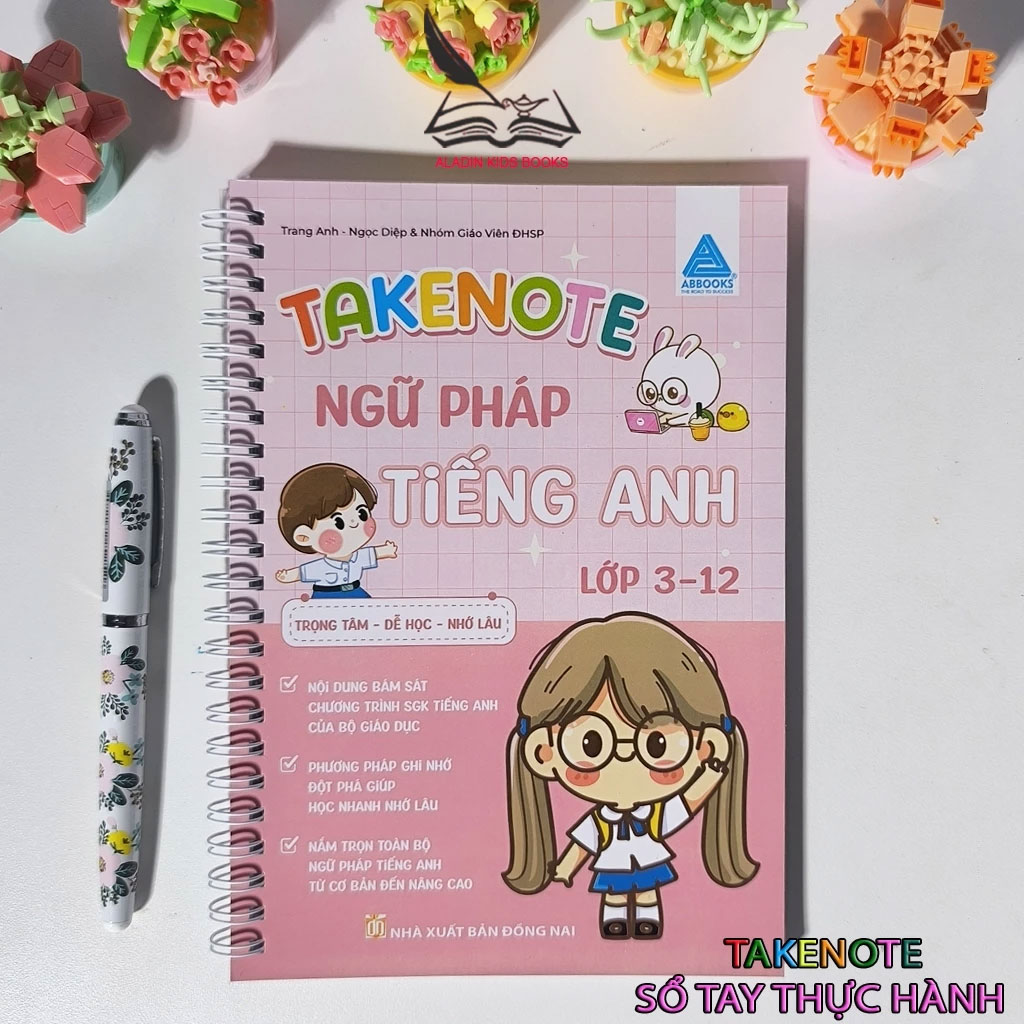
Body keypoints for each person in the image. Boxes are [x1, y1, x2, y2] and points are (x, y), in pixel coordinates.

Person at [503, 612, 758, 939]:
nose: (624, 757)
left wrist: (711, 775)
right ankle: (614, 920)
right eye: (591, 743)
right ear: (543, 753)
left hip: (648, 860)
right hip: (613, 863)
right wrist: (566, 867)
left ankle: (649, 919)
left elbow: (690, 802)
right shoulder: (601, 821)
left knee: (648, 892)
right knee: (615, 894)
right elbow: (582, 845)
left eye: (657, 744)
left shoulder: (654, 816)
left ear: (706, 747)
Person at [274, 463, 398, 599]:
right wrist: (287, 576)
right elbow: (301, 573)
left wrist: (387, 551)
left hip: (355, 593)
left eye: (362, 514)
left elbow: (374, 553)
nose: (354, 523)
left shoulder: (359, 558)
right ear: (304, 537)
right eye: (339, 522)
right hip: (326, 596)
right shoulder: (320, 566)